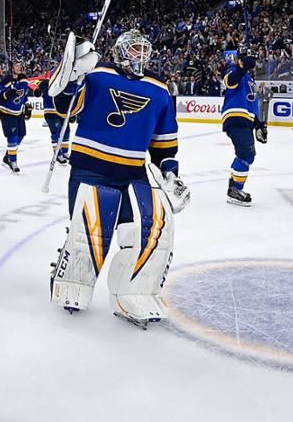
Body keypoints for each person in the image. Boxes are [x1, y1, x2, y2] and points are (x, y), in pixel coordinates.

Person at [47, 29, 190, 327]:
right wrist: (72, 76)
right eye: (135, 49)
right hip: (90, 166)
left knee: (144, 234)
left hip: (133, 172)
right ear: (121, 51)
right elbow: (65, 108)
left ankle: (131, 294)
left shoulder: (159, 88)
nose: (141, 55)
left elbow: (164, 141)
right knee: (90, 234)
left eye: (144, 49)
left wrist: (169, 170)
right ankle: (71, 277)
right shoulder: (96, 73)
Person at [222, 52, 268, 206]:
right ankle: (235, 190)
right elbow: (230, 81)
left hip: (246, 120)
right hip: (235, 117)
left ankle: (233, 187)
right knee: (246, 154)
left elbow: (251, 104)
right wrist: (241, 67)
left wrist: (258, 124)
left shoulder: (250, 80)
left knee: (246, 155)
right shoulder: (232, 70)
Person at [0, 61, 30, 172]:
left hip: (19, 113)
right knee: (13, 138)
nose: (19, 67)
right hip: (7, 113)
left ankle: (8, 157)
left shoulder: (24, 79)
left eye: (20, 65)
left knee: (21, 135)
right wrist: (6, 95)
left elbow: (25, 95)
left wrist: (27, 106)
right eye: (16, 65)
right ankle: (12, 161)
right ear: (11, 67)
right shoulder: (6, 81)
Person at [36, 67, 72, 166]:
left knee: (66, 131)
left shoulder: (63, 83)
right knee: (57, 132)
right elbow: (37, 92)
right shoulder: (45, 83)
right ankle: (57, 154)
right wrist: (38, 90)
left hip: (61, 111)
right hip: (50, 111)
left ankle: (65, 152)